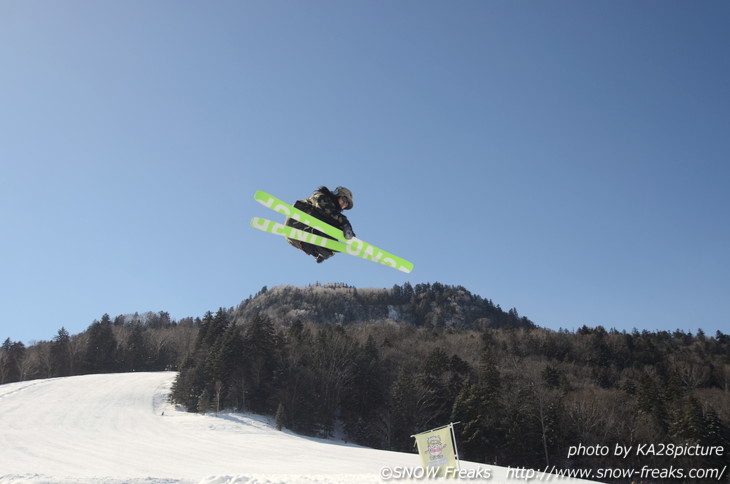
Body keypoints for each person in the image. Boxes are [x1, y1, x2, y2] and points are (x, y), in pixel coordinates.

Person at [285, 186, 355, 263]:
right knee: (333, 224)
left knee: (331, 244)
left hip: (297, 241)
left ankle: (320, 252)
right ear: (337, 194)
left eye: (347, 204)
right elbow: (327, 212)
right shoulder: (322, 197)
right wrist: (344, 223)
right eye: (344, 200)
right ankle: (314, 236)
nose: (344, 205)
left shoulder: (334, 212)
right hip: (298, 221)